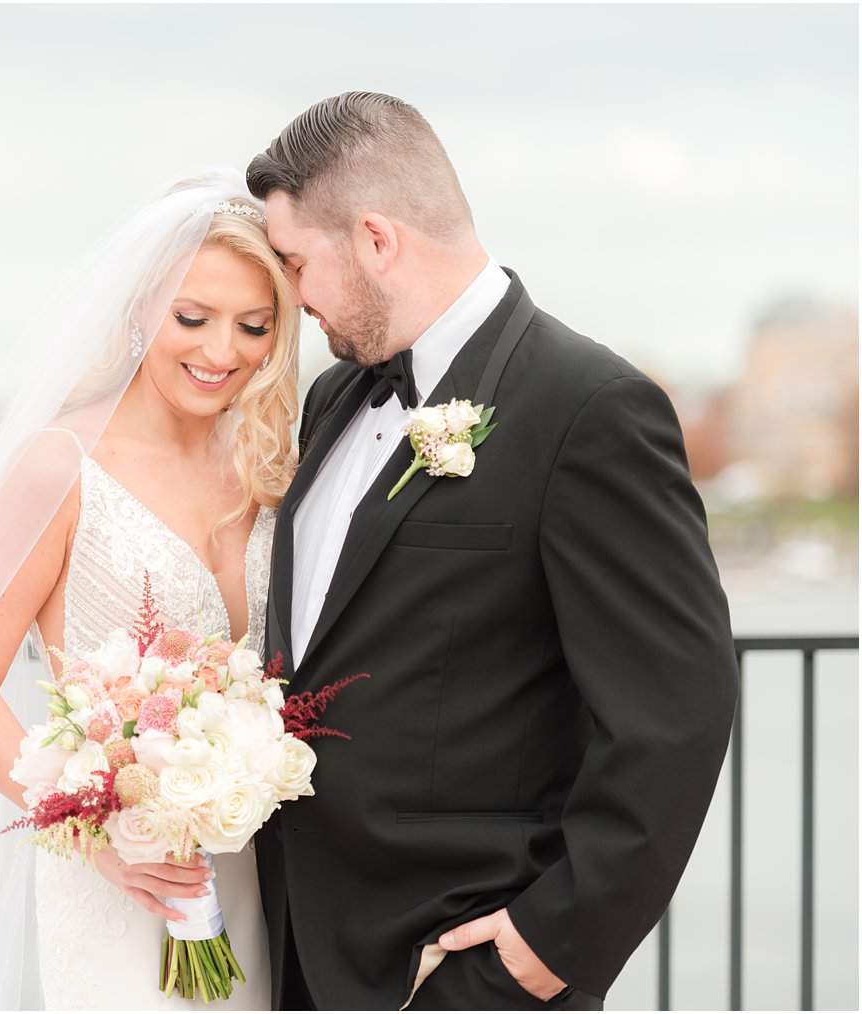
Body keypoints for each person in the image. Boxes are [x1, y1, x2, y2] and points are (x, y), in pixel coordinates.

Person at [245, 92, 739, 1010]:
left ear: (376, 240)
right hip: (295, 951)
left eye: (295, 262)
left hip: (463, 964)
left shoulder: (589, 409)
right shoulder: (331, 401)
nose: (289, 296)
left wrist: (550, 945)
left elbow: (677, 713)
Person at [0, 170, 302, 1009]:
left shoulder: (268, 466)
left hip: (257, 868)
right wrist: (104, 837)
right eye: (193, 318)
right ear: (141, 306)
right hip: (118, 879)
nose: (222, 352)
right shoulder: (58, 465)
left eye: (254, 326)